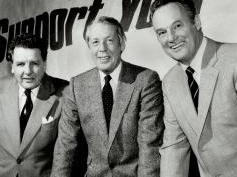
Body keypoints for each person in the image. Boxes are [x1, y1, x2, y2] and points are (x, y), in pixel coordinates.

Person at [150, 0, 237, 177]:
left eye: (177, 26)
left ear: (197, 22)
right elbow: (173, 148)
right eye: (162, 32)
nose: (171, 38)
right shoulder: (170, 82)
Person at [51, 16, 164, 177]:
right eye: (95, 42)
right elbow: (65, 145)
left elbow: (150, 145)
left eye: (109, 40)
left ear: (122, 43)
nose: (102, 48)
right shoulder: (76, 85)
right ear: (89, 47)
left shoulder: (145, 80)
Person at [0, 33, 68, 177]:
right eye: (21, 64)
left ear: (44, 64)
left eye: (34, 63)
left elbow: (67, 154)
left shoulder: (66, 93)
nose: (27, 71)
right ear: (12, 67)